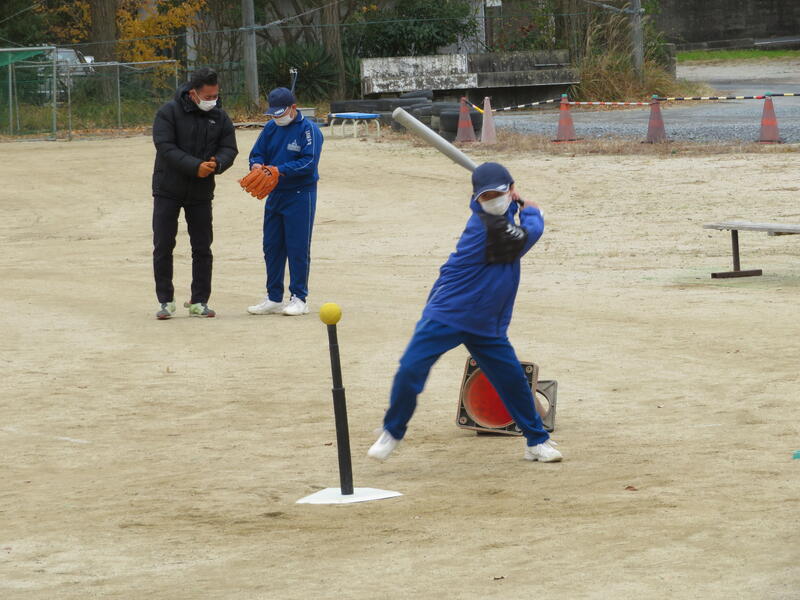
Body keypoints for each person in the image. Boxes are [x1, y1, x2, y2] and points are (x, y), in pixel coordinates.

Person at [368, 162, 563, 463]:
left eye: (497, 194)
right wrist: (533, 212)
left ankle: (536, 441)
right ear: (476, 199)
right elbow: (529, 235)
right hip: (449, 313)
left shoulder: (504, 217)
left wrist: (516, 206)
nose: (491, 201)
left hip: (485, 322)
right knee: (410, 369)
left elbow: (513, 224)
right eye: (485, 197)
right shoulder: (485, 228)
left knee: (512, 380)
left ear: (511, 189)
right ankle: (392, 431)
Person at [151, 67, 238, 320]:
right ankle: (165, 301)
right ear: (193, 93)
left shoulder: (220, 117)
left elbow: (229, 148)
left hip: (201, 192)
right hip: (168, 189)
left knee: (202, 247)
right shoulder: (168, 112)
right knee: (163, 245)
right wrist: (195, 166)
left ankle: (199, 301)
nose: (213, 101)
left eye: (215, 96)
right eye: (208, 97)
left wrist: (218, 163)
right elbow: (165, 147)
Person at [246, 87, 323, 317]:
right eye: (273, 114)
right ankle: (273, 297)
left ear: (293, 108)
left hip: (300, 194)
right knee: (272, 246)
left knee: (297, 246)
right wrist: (256, 165)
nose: (276, 118)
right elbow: (257, 153)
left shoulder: (309, 130)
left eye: (280, 113)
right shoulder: (270, 128)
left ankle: (299, 298)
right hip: (275, 193)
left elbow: (309, 162)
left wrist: (279, 170)